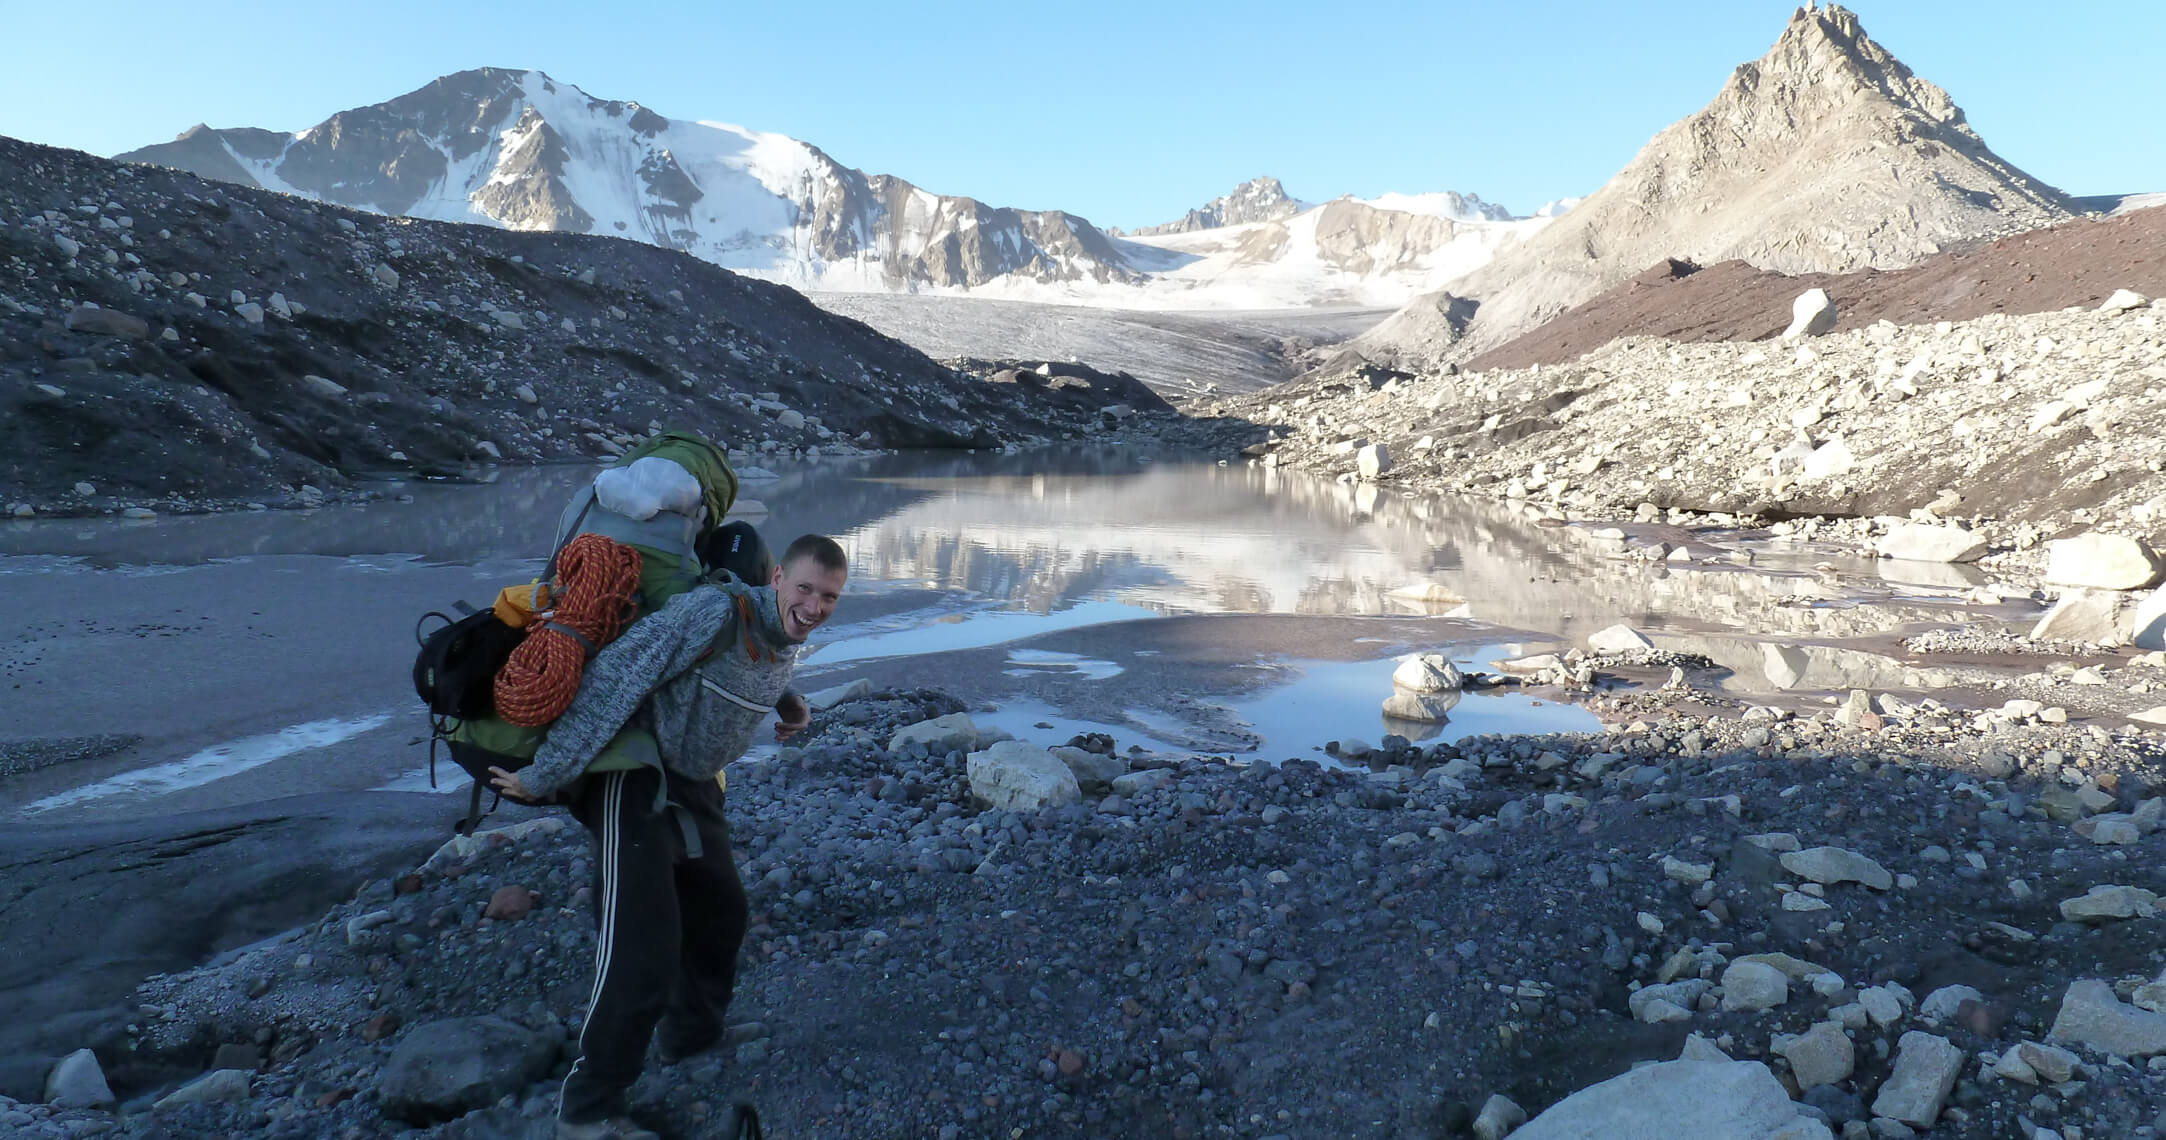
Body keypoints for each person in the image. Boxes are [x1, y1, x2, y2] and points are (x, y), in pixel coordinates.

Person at [489, 534, 849, 1140]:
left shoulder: (776, 631)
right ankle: (587, 1108)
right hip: (632, 774)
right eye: (807, 589)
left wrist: (791, 706)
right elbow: (616, 680)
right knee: (642, 946)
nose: (815, 606)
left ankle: (691, 1037)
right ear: (779, 577)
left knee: (721, 914)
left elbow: (750, 670)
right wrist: (543, 775)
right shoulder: (711, 613)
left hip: (694, 780)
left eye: (830, 597)